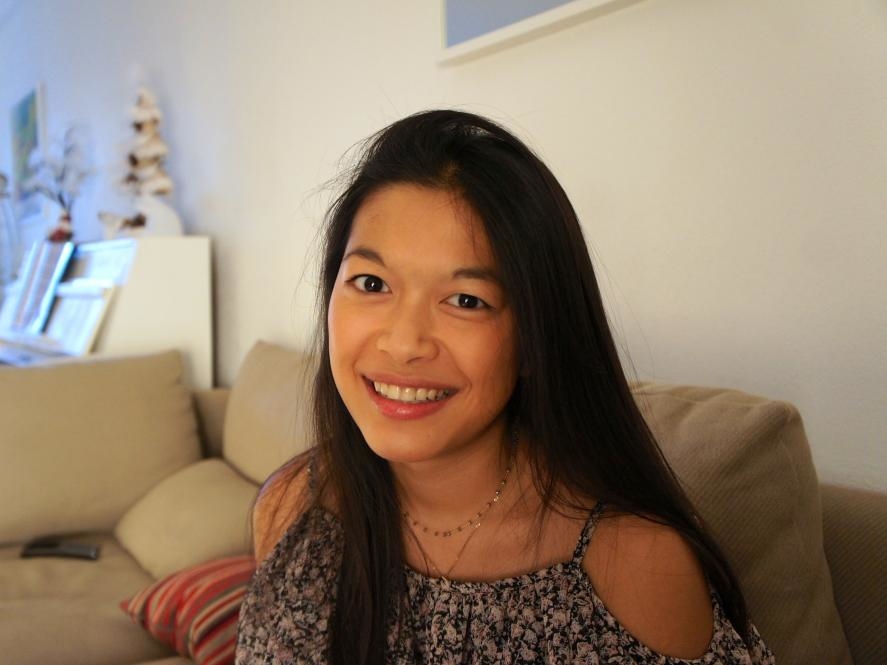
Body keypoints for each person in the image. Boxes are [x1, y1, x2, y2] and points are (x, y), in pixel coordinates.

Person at [236, 110, 775, 664]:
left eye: (466, 300)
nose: (403, 343)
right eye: (371, 283)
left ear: (536, 337)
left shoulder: (636, 565)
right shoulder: (290, 508)